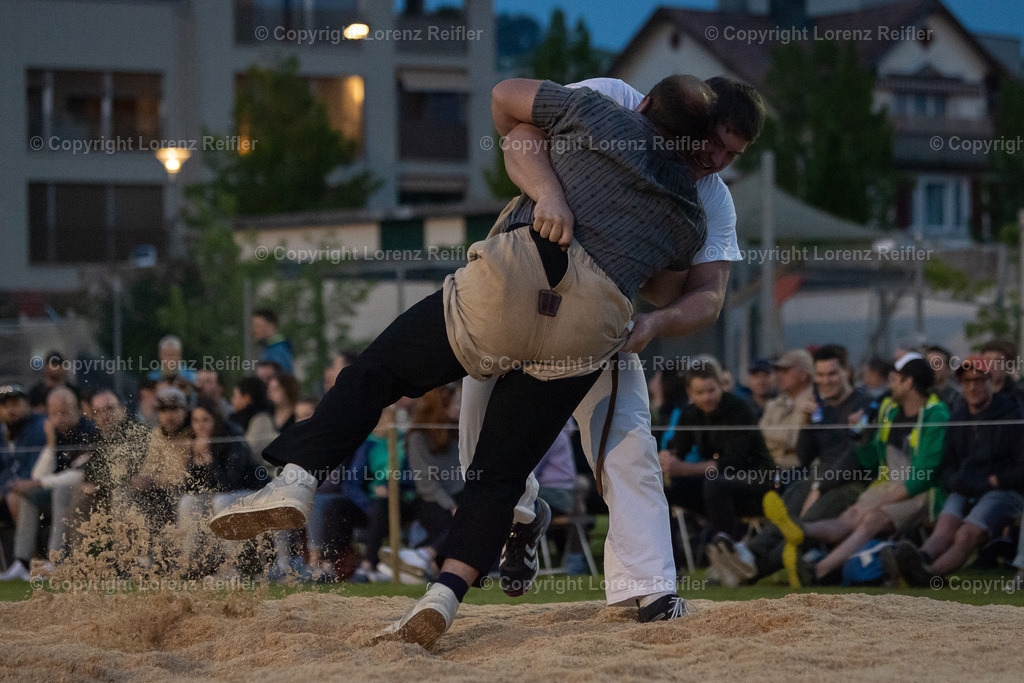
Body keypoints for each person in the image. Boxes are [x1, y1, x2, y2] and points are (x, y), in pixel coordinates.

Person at [211, 73, 721, 647]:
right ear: (696, 144)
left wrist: (554, 191)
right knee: (497, 475)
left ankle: (298, 479)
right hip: (586, 330)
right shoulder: (692, 212)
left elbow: (505, 98)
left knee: (376, 374)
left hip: (512, 286)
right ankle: (445, 594)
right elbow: (664, 287)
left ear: (644, 104)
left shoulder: (596, 111)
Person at [459, 74, 763, 618]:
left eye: (731, 153)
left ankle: (651, 589)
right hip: (519, 287)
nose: (717, 159)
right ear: (686, 119)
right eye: (712, 143)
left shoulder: (710, 200)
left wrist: (656, 323)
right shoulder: (615, 100)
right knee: (478, 432)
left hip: (600, 319)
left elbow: (706, 294)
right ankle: (520, 518)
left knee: (628, 444)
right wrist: (550, 194)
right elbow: (510, 112)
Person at [764, 353, 948, 585]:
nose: (889, 384)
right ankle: (800, 529)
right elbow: (871, 460)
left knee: (871, 518)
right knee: (850, 516)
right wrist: (860, 438)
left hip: (922, 494)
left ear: (908, 382)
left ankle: (819, 570)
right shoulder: (889, 411)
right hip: (888, 485)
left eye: (894, 379)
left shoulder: (936, 414)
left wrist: (880, 502)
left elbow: (924, 477)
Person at [711, 345, 873, 585]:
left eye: (832, 374)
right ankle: (745, 556)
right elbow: (805, 456)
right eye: (821, 375)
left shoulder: (864, 404)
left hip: (850, 483)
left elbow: (854, 457)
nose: (825, 381)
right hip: (817, 476)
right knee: (784, 517)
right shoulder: (820, 405)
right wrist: (807, 426)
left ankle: (745, 569)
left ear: (847, 373)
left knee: (799, 527)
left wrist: (821, 485)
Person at [881, 355, 1024, 586]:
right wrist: (956, 481)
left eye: (979, 380)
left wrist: (994, 480)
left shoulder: (1011, 416)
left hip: (1003, 490)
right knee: (945, 526)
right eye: (967, 381)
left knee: (967, 534)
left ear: (990, 382)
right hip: (965, 487)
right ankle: (916, 561)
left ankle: (926, 576)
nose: (972, 386)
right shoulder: (957, 419)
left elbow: (1021, 468)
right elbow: (947, 466)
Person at [659, 360, 777, 584]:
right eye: (700, 392)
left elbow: (732, 462)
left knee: (714, 482)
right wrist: (666, 457)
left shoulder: (739, 409)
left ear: (721, 386)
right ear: (690, 393)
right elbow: (678, 450)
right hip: (716, 488)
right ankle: (672, 568)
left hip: (756, 481)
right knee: (664, 492)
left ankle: (724, 561)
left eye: (711, 390)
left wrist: (681, 468)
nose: (707, 397)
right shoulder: (690, 414)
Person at [1, 387, 97, 580]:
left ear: (78, 410)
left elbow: (79, 474)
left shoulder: (88, 430)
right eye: (54, 413)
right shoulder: (54, 431)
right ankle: (22, 561)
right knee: (26, 495)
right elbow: (39, 473)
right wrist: (51, 444)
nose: (59, 418)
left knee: (60, 490)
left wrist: (39, 482)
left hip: (83, 492)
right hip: (56, 491)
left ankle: (56, 559)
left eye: (65, 412)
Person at [177, 397, 268, 577]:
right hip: (222, 495)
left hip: (251, 493)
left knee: (221, 501)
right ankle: (188, 563)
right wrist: (195, 463)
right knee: (188, 502)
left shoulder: (232, 438)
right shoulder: (196, 442)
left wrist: (209, 459)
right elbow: (190, 488)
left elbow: (228, 484)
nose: (200, 426)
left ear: (215, 420)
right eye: (196, 420)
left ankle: (232, 565)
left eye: (205, 420)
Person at [129, 387, 192, 532]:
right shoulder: (157, 434)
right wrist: (140, 479)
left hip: (182, 492)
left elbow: (181, 477)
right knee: (126, 494)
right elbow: (150, 467)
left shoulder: (191, 435)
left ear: (185, 411)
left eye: (174, 409)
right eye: (163, 410)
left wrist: (155, 481)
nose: (168, 415)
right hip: (158, 491)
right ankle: (135, 549)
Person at [1, 385, 47, 529]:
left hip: (36, 487)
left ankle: (32, 552)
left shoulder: (39, 427)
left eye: (15, 404)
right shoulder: (3, 430)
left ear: (27, 404)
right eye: (5, 406)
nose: (10, 410)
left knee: (14, 498)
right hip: (9, 488)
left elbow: (33, 471)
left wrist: (5, 488)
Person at [759, 350, 815, 468]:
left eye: (785, 370)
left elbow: (796, 440)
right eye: (778, 370)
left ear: (803, 374)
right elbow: (758, 435)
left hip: (796, 470)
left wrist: (767, 432)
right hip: (768, 466)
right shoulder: (773, 404)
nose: (778, 375)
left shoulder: (813, 404)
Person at [229, 377, 278, 462]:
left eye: (235, 396)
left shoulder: (261, 421)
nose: (232, 400)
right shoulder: (240, 419)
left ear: (246, 398)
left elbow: (252, 453)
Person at [253, 309, 294, 376]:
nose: (254, 330)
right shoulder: (270, 349)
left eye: (257, 325)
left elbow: (277, 380)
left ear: (271, 326)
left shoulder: (278, 351)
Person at [924, 345, 961, 409]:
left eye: (937, 363)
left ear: (949, 368)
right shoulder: (922, 396)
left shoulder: (958, 398)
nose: (931, 367)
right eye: (928, 363)